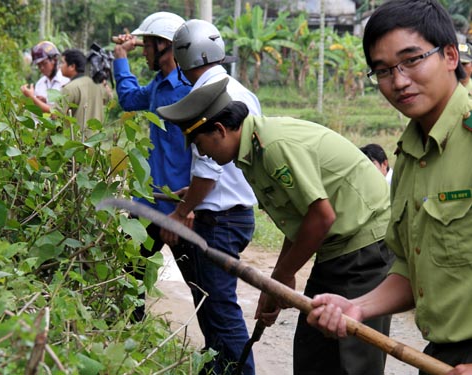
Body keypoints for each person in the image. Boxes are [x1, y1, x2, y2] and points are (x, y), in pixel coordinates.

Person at [156, 77, 394, 375]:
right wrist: (277, 284)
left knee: (352, 357)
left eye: (200, 143)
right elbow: (300, 219)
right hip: (336, 247)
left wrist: (282, 275)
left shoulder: (273, 147)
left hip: (364, 246)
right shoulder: (250, 155)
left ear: (219, 130)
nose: (202, 154)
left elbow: (322, 217)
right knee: (312, 349)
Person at [304, 1, 472, 374]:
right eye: (382, 70)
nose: (398, 81)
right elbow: (411, 270)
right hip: (441, 358)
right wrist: (358, 307)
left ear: (449, 55)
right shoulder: (410, 156)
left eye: (411, 60)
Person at [160, 19, 259, 375]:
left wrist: (182, 211)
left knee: (219, 309)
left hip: (218, 219)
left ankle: (239, 370)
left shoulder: (208, 95)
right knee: (212, 307)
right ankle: (217, 367)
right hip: (237, 211)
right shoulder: (239, 89)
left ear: (183, 59)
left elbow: (208, 170)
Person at [112, 12, 192, 321]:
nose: (143, 51)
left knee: (202, 286)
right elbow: (130, 99)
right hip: (149, 202)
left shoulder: (191, 89)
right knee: (131, 272)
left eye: (147, 45)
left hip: (180, 207)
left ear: (165, 46)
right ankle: (131, 330)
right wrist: (121, 58)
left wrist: (189, 206)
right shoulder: (159, 85)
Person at [57, 48, 111, 137]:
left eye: (62, 63)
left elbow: (56, 115)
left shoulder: (69, 88)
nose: (60, 66)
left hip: (75, 144)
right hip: (95, 142)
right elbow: (109, 98)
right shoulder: (98, 85)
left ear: (72, 66)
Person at [20, 41, 69, 113]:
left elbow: (58, 112)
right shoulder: (40, 83)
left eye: (44, 63)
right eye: (39, 65)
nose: (42, 68)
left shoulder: (66, 81)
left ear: (54, 60)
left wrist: (32, 98)